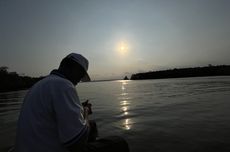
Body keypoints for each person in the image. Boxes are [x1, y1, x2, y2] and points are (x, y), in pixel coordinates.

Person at [14, 53, 129, 152]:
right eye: (80, 75)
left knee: (92, 125)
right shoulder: (63, 85)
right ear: (72, 68)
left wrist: (80, 109)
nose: (79, 80)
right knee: (119, 142)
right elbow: (76, 145)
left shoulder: (40, 84)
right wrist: (86, 111)